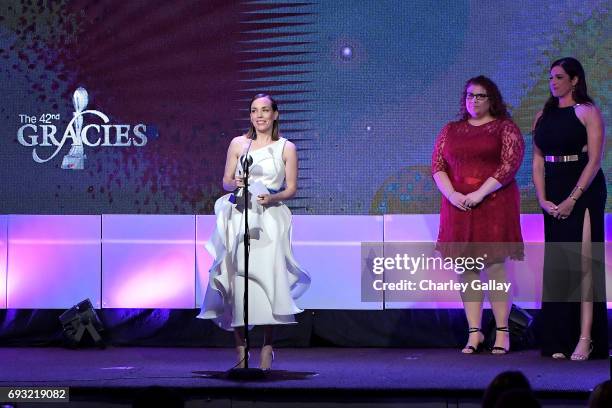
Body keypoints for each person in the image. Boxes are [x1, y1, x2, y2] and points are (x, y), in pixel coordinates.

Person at [197, 93, 310, 369]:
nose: (259, 115)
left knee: (268, 281)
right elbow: (225, 182)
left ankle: (267, 349)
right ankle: (240, 352)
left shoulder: (287, 147)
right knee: (236, 280)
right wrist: (233, 181)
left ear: (275, 114)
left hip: (270, 219)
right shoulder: (238, 144)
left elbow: (291, 188)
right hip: (238, 216)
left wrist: (272, 198)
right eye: (254, 111)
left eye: (265, 110)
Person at [432, 75, 524, 355]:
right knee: (466, 268)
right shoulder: (451, 129)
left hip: (493, 204)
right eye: (470, 95)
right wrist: (452, 195)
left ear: (492, 99)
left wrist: (479, 194)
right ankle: (475, 333)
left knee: (495, 267)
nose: (474, 100)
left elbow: (510, 165)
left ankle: (502, 332)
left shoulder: (504, 128)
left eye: (481, 96)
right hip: (458, 206)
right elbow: (437, 165)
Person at [532, 57, 607, 360]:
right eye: (551, 77)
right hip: (553, 188)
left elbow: (595, 160)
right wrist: (541, 198)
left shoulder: (588, 112)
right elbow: (537, 161)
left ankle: (586, 337)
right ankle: (558, 339)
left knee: (585, 262)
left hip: (584, 190)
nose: (553, 82)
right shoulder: (543, 115)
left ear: (575, 80)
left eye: (559, 77)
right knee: (560, 265)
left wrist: (573, 198)